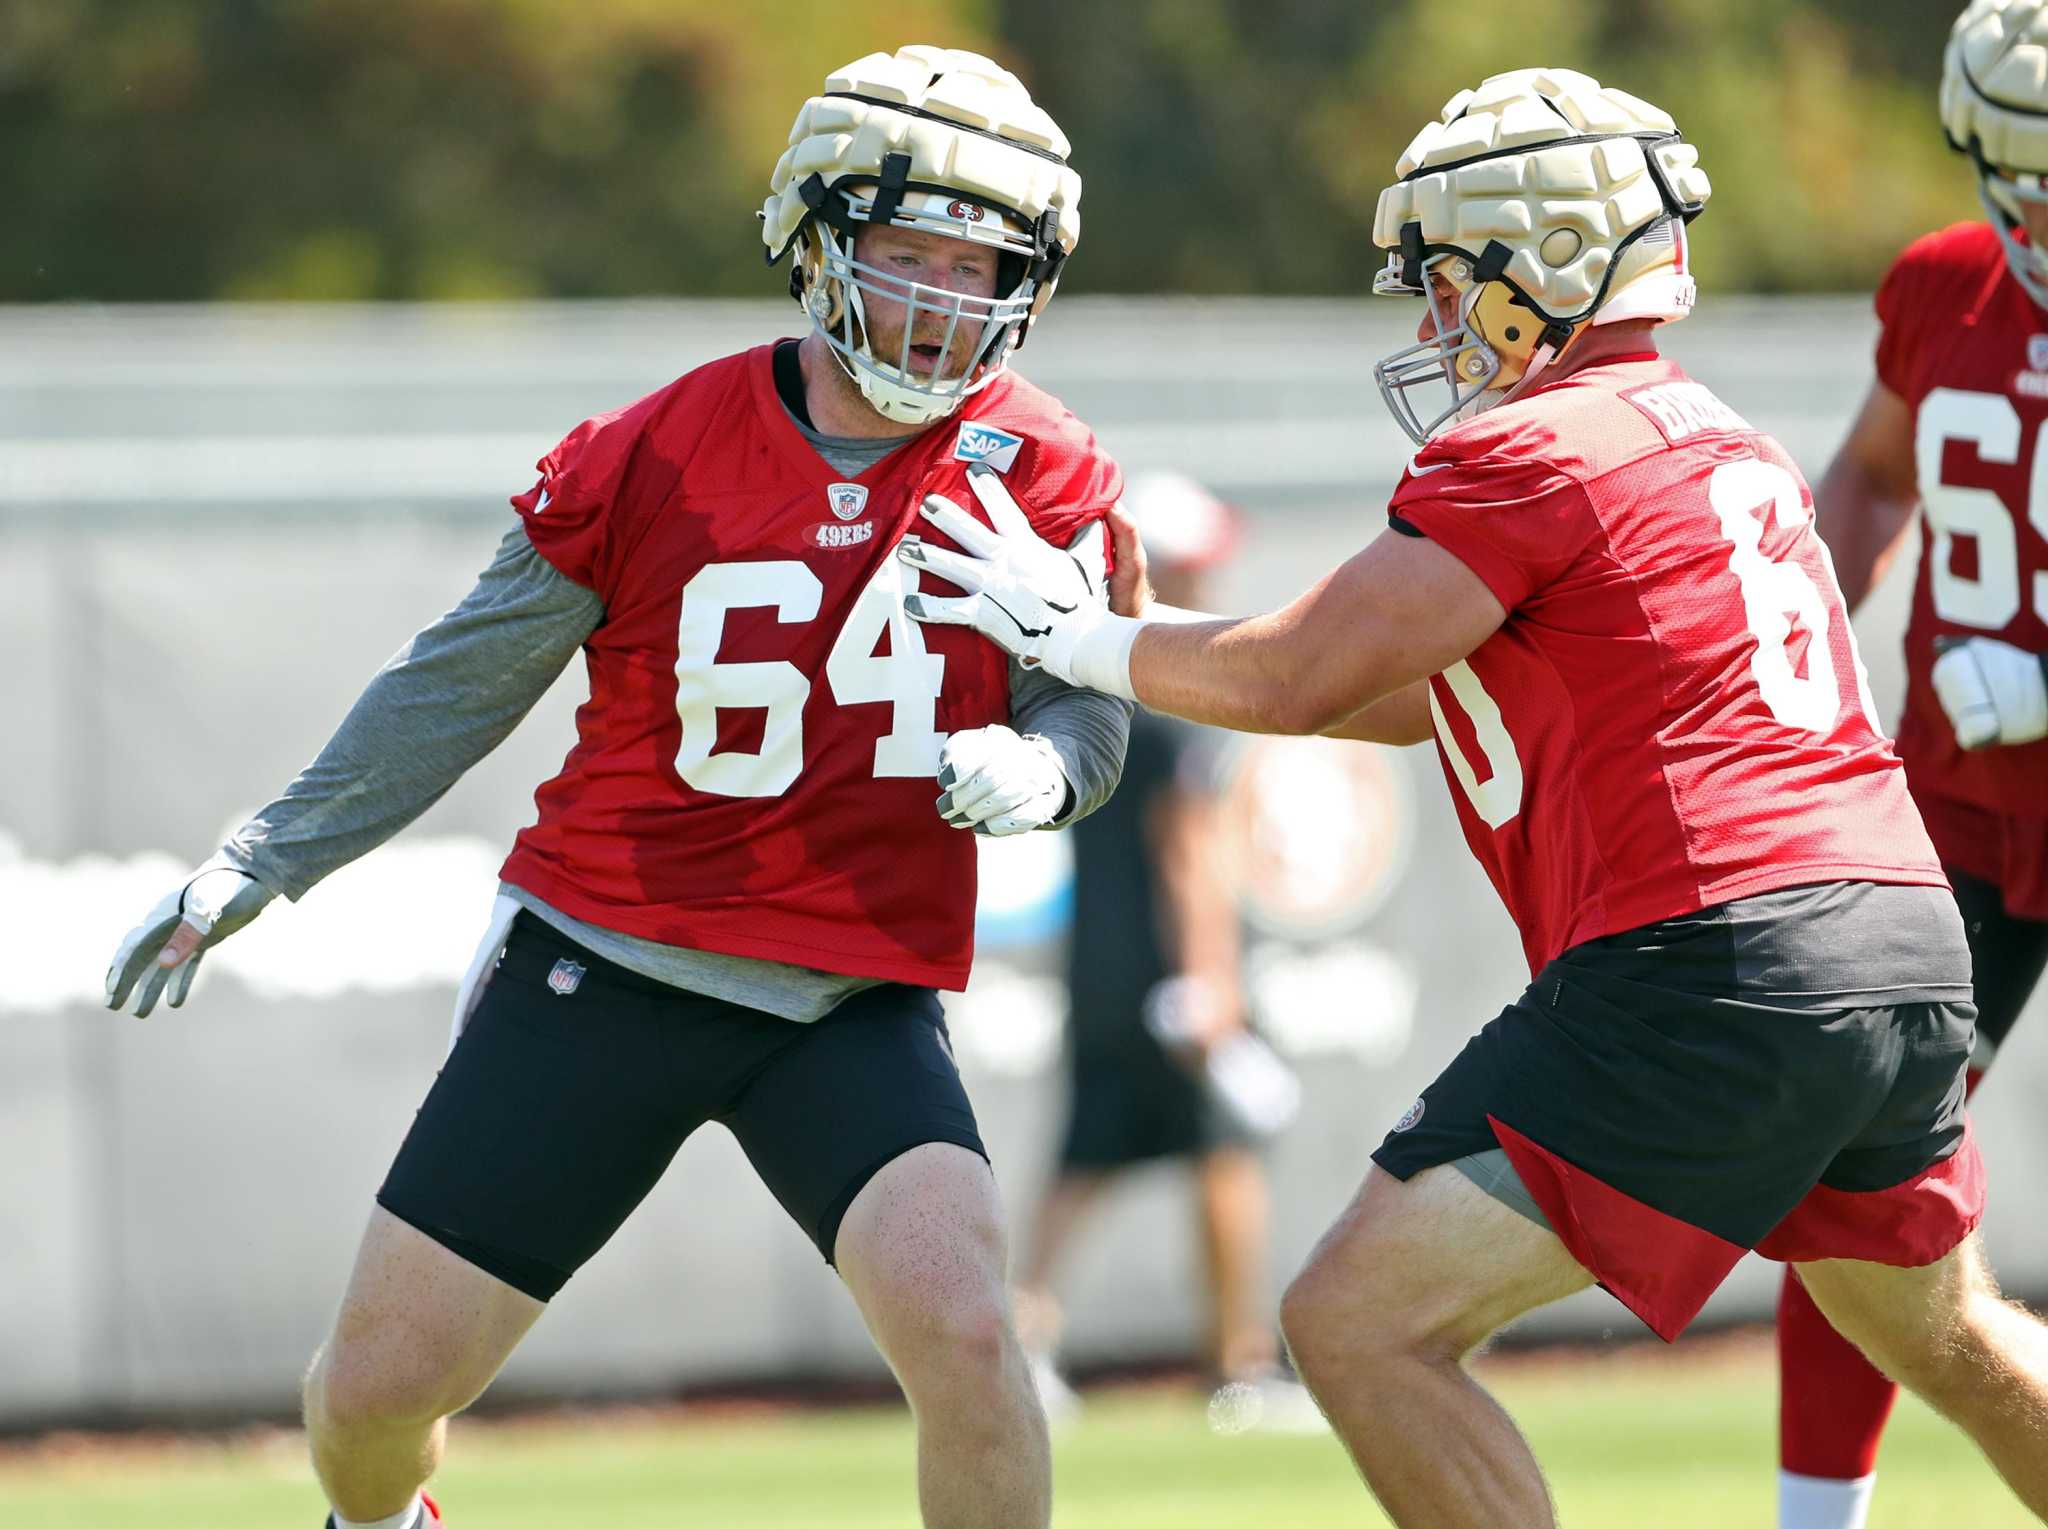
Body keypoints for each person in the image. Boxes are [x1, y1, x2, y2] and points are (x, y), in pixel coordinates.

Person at [894, 65, 2048, 1529]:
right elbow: (1421, 699)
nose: (1435, 322)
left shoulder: (1531, 447)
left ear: (1546, 265)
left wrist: (1074, 639)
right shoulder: (1710, 436)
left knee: (1361, 1324)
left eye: (1449, 282)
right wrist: (1132, 661)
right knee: (1949, 1334)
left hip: (1714, 956)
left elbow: (1303, 674)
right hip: (1894, 939)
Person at [102, 45, 1130, 1529]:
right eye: (909, 254)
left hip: (850, 998)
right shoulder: (658, 450)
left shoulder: (1045, 467)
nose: (945, 300)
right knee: (373, 1397)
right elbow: (456, 681)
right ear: (817, 242)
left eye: (981, 266)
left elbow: (1086, 714)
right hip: (606, 962)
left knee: (974, 1336)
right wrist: (263, 855)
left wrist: (1044, 769)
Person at [1776, 5, 2048, 1526]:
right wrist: (1803, 623)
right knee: (1855, 1167)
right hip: (1954, 803)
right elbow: (1874, 479)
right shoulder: (1945, 284)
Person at [1010, 473, 1307, 1422]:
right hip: (1175, 982)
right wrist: (1211, 981)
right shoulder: (1175, 698)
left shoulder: (1091, 683)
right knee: (1224, 1159)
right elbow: (1191, 855)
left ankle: (1018, 1344)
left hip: (1101, 974)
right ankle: (1242, 1367)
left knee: (1081, 1164)